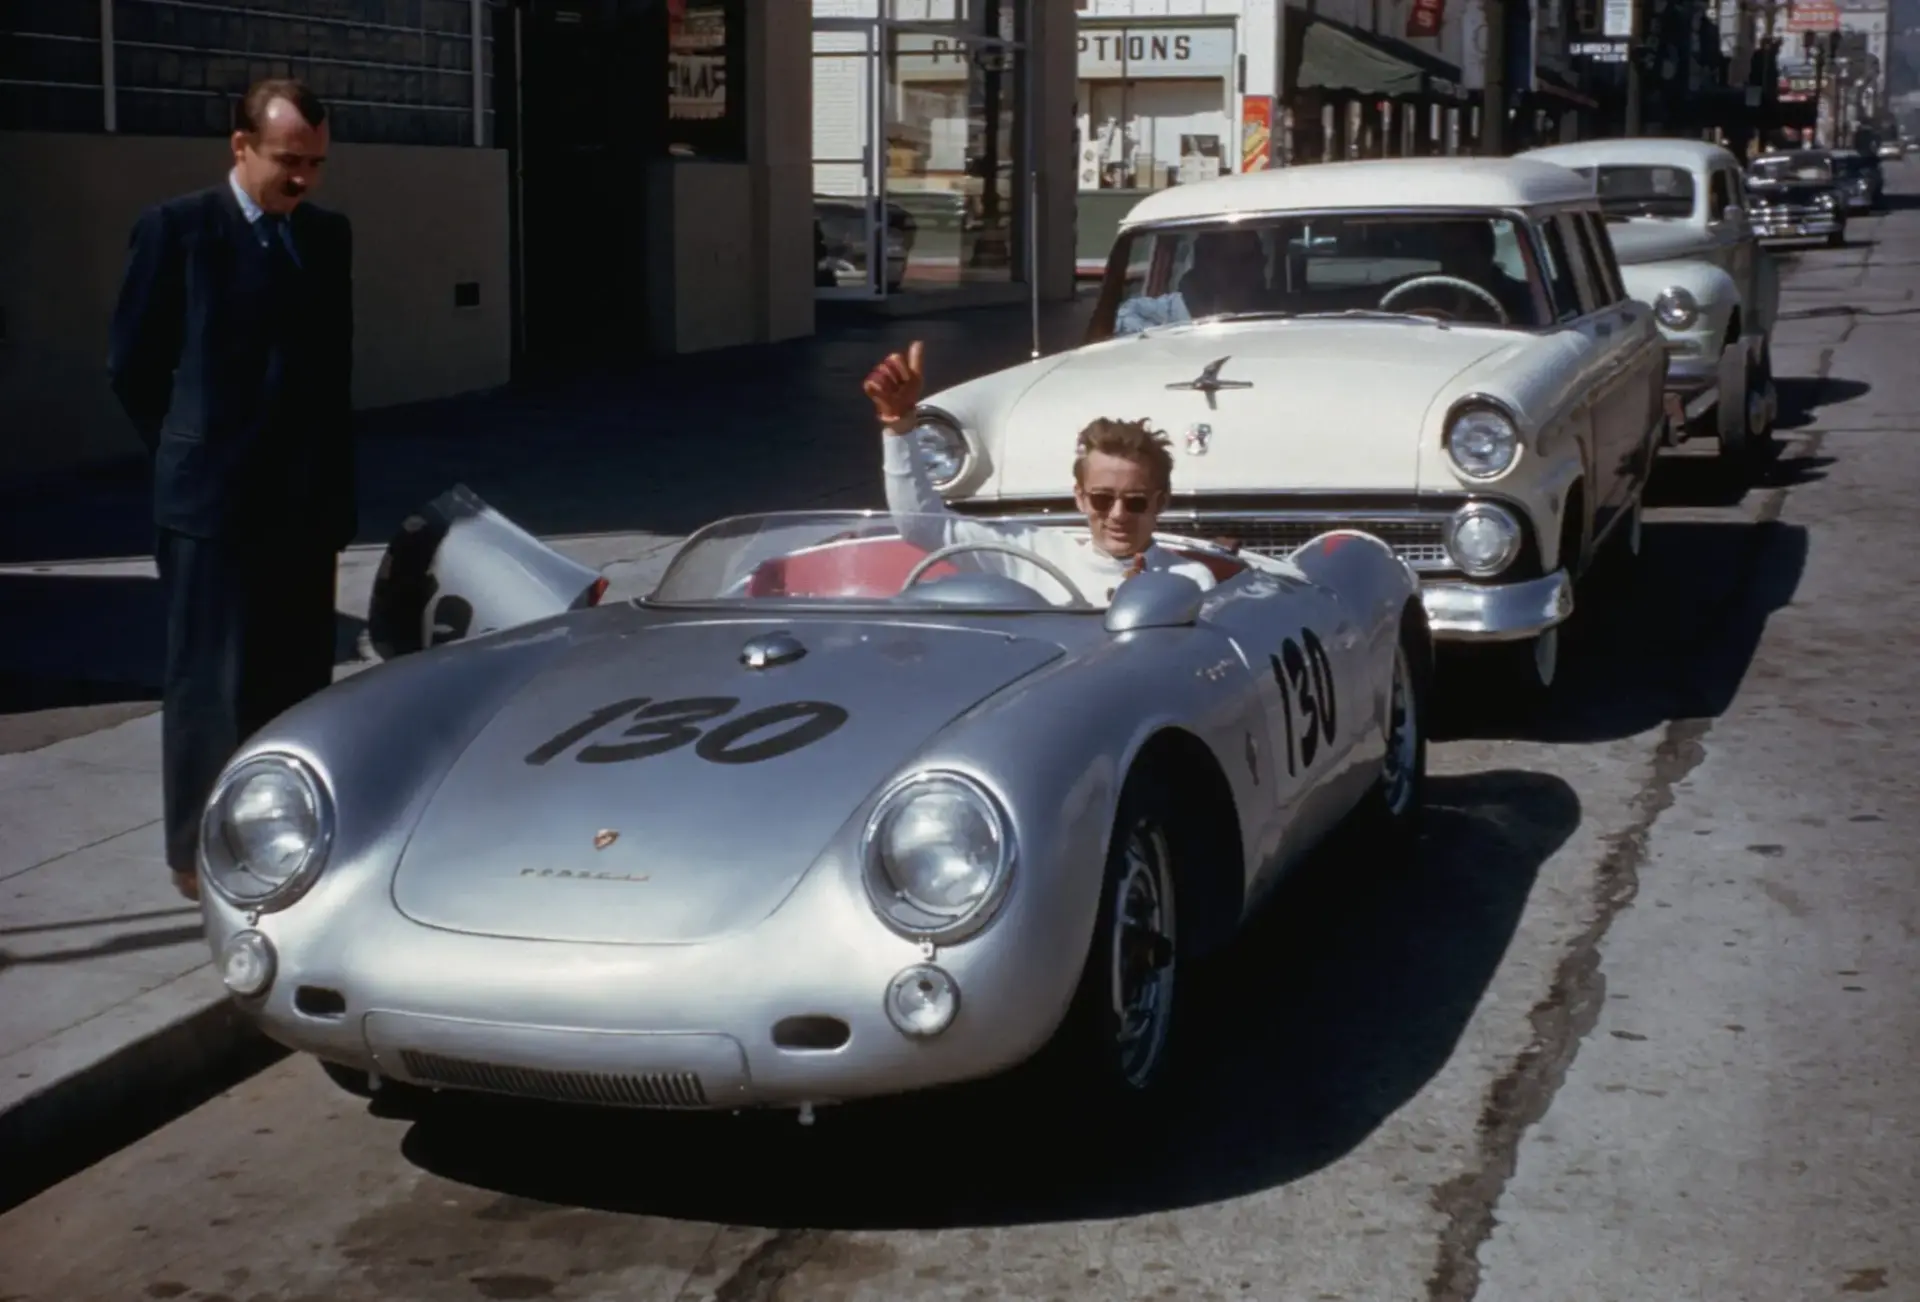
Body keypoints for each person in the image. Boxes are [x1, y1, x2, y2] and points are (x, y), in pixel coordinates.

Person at [107, 77, 356, 901]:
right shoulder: (178, 231)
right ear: (240, 147)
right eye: (289, 162)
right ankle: (198, 854)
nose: (303, 180)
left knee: (294, 686)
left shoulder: (325, 238)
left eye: (316, 164)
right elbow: (134, 366)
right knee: (211, 688)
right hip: (212, 508)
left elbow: (331, 374)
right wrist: (189, 449)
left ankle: (284, 839)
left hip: (301, 505)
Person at [862, 341, 1219, 604]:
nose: (1118, 515)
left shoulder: (1190, 581)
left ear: (1161, 502)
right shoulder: (1035, 553)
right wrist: (900, 428)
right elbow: (922, 524)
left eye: (1136, 502)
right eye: (1101, 498)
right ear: (1080, 497)